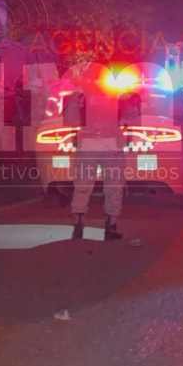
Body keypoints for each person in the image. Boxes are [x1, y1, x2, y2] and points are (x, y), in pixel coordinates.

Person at [65, 59, 126, 241]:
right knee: (113, 187)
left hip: (87, 146)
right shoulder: (116, 93)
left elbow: (70, 120)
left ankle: (78, 224)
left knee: (82, 186)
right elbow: (128, 117)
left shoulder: (79, 95)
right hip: (112, 147)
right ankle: (111, 226)